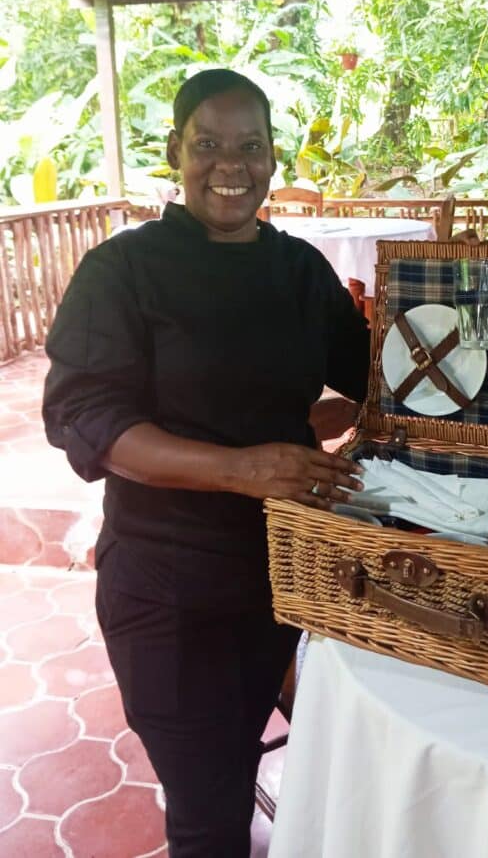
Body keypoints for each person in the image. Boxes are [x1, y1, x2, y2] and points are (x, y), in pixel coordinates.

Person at [42, 68, 370, 857]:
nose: (231, 165)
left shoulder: (299, 271)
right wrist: (242, 468)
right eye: (208, 144)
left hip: (283, 575)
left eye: (250, 146)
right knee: (208, 817)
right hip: (169, 590)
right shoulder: (124, 271)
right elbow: (87, 418)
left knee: (298, 756)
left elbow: (373, 374)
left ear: (273, 157)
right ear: (175, 151)